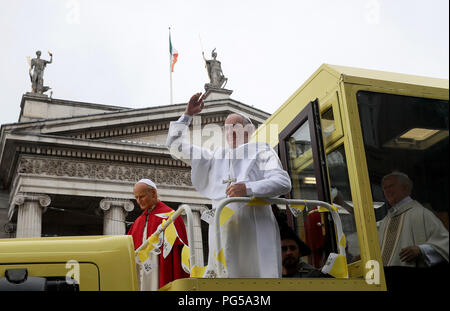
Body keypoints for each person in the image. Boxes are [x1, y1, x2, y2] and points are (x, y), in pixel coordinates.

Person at [166, 92, 292, 278]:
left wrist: (247, 188)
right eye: (226, 128)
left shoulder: (262, 150)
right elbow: (175, 145)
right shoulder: (213, 156)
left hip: (256, 228)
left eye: (236, 126)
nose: (230, 131)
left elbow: (283, 182)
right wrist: (187, 115)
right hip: (224, 229)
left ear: (247, 131)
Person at [128, 179, 189, 289]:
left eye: (141, 196)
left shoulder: (171, 217)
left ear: (154, 193)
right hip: (142, 270)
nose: (138, 201)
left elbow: (176, 255)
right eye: (136, 197)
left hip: (160, 270)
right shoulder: (138, 222)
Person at [379, 171, 449, 267]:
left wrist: (421, 250)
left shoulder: (422, 213)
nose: (387, 191)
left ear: (405, 188)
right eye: (384, 188)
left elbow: (446, 244)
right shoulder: (385, 221)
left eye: (390, 186)